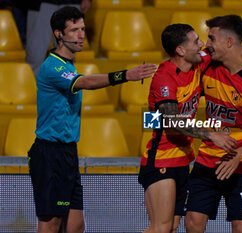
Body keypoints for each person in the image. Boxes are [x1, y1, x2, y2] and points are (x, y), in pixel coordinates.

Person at [27, 6, 156, 233]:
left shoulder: (67, 64)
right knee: (50, 225)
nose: (81, 35)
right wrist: (126, 75)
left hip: (67, 154)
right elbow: (85, 82)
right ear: (59, 34)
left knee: (75, 226)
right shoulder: (52, 66)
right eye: (74, 30)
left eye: (83, 29)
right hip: (50, 155)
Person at [138, 23, 242, 233]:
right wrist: (210, 135)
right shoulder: (165, 77)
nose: (202, 45)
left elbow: (227, 48)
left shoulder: (197, 63)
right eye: (195, 41)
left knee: (172, 227)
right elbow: (171, 119)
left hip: (183, 160)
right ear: (180, 50)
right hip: (161, 159)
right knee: (160, 229)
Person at [185, 15, 242, 233]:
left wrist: (239, 154)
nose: (206, 44)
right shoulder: (207, 65)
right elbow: (182, 56)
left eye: (211, 38)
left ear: (228, 42)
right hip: (206, 161)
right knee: (192, 222)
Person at [26, 0, 92, 77]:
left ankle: (63, 85)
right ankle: (31, 86)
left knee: (67, 53)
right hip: (41, 3)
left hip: (71, 2)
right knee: (35, 52)